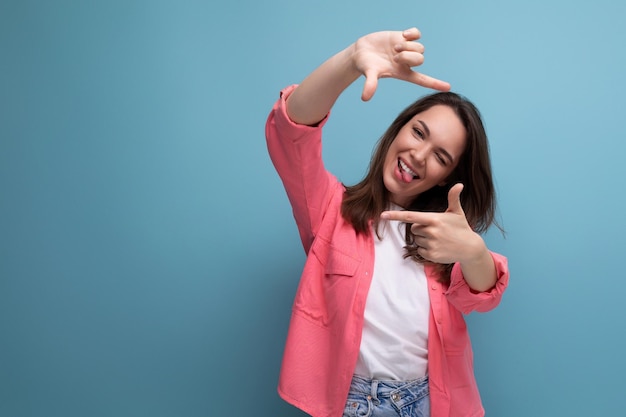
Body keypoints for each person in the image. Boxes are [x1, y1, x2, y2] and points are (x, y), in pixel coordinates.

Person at [265, 27, 509, 417]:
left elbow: (481, 294)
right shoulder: (329, 209)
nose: (418, 154)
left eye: (441, 157)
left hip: (427, 403)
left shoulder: (446, 238)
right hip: (349, 404)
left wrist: (474, 250)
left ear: (446, 176)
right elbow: (290, 131)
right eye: (418, 132)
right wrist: (350, 60)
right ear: (399, 128)